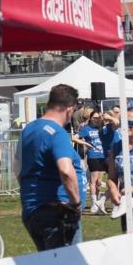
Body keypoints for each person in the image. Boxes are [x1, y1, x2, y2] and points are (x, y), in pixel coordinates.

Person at [17, 84, 84, 251]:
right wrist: (76, 204)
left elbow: (17, 168)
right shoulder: (57, 133)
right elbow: (66, 171)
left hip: (33, 210)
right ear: (70, 109)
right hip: (58, 213)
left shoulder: (29, 129)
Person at [78, 109, 107, 214]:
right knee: (93, 181)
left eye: (98, 118)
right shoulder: (87, 129)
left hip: (103, 156)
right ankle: (94, 204)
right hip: (93, 156)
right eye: (94, 117)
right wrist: (87, 144)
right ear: (90, 118)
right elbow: (74, 138)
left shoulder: (102, 129)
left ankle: (98, 203)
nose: (96, 119)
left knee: (99, 182)